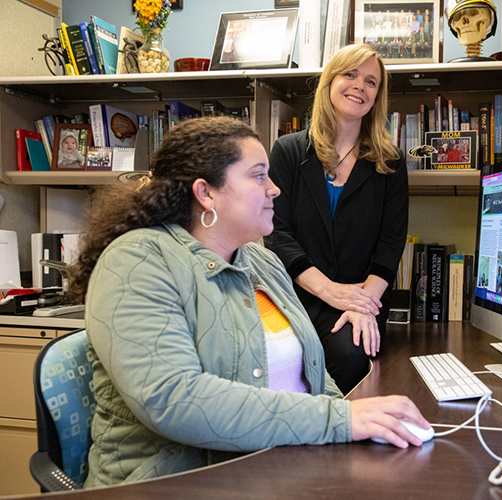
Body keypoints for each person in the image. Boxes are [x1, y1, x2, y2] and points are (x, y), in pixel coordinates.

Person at [68, 117, 427, 487]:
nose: (275, 190)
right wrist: (340, 421)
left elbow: (315, 380)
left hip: (278, 471)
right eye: (258, 176)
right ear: (206, 193)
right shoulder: (138, 262)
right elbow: (175, 400)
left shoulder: (264, 263)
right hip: (174, 484)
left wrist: (355, 419)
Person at [264, 44, 408, 395]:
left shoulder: (389, 162)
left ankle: (332, 438)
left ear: (377, 97)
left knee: (351, 355)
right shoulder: (288, 150)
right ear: (329, 82)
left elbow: (391, 242)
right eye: (350, 74)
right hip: (296, 294)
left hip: (360, 295)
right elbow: (276, 233)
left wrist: (362, 304)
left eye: (371, 81)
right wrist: (330, 292)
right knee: (274, 357)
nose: (360, 86)